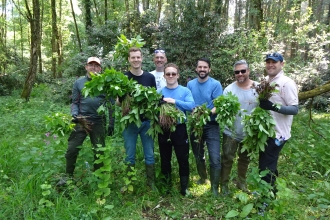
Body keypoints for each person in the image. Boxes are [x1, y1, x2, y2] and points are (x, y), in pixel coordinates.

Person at [259, 52, 298, 193]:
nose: (270, 65)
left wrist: (273, 106)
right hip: (266, 131)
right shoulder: (266, 81)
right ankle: (272, 190)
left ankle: (267, 198)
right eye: (268, 62)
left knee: (266, 166)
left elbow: (294, 109)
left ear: (282, 64)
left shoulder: (286, 83)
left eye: (274, 62)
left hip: (278, 134)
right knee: (267, 162)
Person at [64, 57, 107, 178]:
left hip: (99, 121)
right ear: (86, 67)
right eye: (91, 65)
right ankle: (68, 176)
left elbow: (110, 104)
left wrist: (111, 123)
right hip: (81, 120)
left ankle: (99, 177)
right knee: (72, 149)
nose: (93, 67)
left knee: (99, 151)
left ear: (100, 68)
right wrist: (75, 115)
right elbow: (75, 102)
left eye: (96, 65)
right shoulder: (79, 83)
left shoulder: (105, 82)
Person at [122, 47, 157, 190]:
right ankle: (129, 183)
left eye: (138, 57)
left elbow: (154, 99)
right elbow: (118, 102)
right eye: (133, 57)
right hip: (130, 122)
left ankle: (151, 183)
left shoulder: (150, 77)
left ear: (142, 58)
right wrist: (125, 100)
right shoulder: (123, 78)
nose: (136, 60)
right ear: (129, 60)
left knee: (149, 154)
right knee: (129, 155)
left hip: (146, 122)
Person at [220, 60, 258, 194]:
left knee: (244, 159)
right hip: (231, 132)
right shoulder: (229, 89)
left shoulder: (258, 88)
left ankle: (241, 182)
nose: (240, 74)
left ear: (248, 71)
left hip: (249, 133)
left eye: (243, 71)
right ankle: (223, 185)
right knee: (227, 158)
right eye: (237, 72)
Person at [187, 58, 223, 196]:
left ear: (209, 69)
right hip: (195, 124)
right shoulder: (190, 84)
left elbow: (218, 105)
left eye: (205, 67)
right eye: (200, 67)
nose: (202, 69)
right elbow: (188, 102)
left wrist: (207, 113)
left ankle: (214, 187)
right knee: (198, 154)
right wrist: (193, 112)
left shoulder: (215, 84)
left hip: (211, 124)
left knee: (215, 157)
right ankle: (203, 178)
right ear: (196, 69)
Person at [158, 63, 195, 196]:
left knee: (182, 158)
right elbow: (152, 110)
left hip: (180, 129)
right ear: (164, 76)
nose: (171, 76)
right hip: (164, 129)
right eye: (168, 74)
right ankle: (166, 186)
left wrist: (173, 101)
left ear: (178, 75)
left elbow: (191, 106)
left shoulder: (185, 91)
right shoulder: (159, 92)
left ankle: (184, 188)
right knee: (165, 158)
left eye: (173, 73)